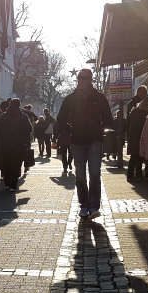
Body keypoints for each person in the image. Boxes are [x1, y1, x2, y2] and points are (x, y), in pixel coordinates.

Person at [57, 68, 113, 220]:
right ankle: (84, 205)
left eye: (87, 78)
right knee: (80, 176)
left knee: (95, 173)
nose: (84, 81)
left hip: (95, 140)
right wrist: (64, 132)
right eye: (81, 78)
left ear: (91, 80)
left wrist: (104, 131)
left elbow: (108, 118)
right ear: (78, 80)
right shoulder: (71, 99)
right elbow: (61, 119)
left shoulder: (99, 98)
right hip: (77, 141)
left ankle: (94, 206)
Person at [0, 98, 32, 190]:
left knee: (6, 163)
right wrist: (27, 143)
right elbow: (29, 129)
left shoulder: (3, 116)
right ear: (19, 105)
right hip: (19, 145)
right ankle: (13, 183)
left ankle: (7, 182)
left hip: (5, 145)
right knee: (16, 164)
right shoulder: (23, 117)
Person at [126, 85, 148, 182]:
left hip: (137, 134)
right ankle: (134, 174)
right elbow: (130, 122)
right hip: (137, 134)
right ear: (139, 92)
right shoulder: (134, 105)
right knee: (136, 155)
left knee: (138, 154)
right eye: (143, 92)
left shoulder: (141, 105)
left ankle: (136, 174)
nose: (144, 94)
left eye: (145, 93)